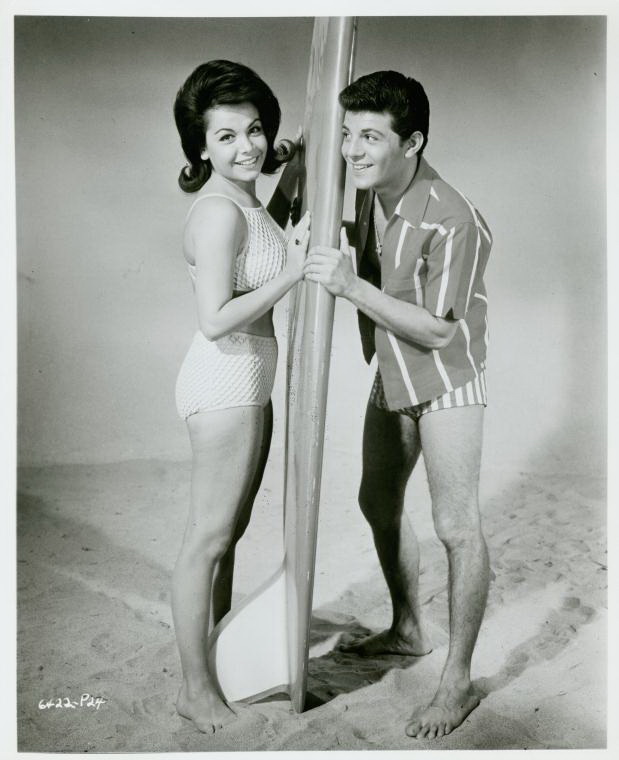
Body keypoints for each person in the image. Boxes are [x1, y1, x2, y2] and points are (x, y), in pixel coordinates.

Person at [304, 70, 492, 740]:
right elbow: (314, 154)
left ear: (411, 143)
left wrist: (350, 287)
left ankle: (458, 680)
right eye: (347, 134)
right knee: (376, 501)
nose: (352, 150)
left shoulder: (453, 218)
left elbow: (439, 332)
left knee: (455, 526)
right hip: (391, 372)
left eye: (370, 137)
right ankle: (409, 627)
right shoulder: (364, 186)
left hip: (446, 380)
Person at [172, 59, 310, 734]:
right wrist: (295, 272)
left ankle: (215, 658)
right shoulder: (218, 212)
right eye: (225, 136)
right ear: (200, 147)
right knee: (208, 538)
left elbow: (269, 234)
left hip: (249, 378)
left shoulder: (247, 202)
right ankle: (193, 690)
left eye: (254, 129)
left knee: (227, 535)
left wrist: (297, 166)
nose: (246, 146)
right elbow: (215, 318)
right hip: (224, 378)